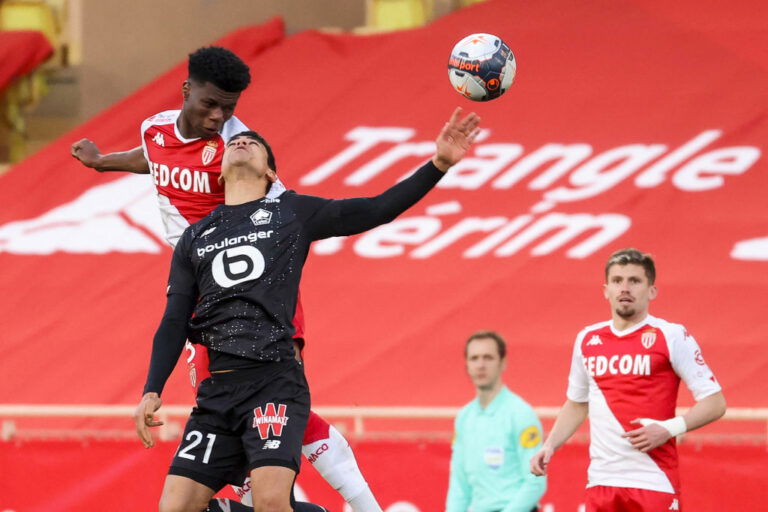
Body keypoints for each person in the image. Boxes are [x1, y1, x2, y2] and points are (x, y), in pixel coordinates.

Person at [71, 46, 380, 511]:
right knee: (234, 405)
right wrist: (103, 161)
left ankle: (353, 504)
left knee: (262, 398)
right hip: (200, 290)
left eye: (229, 109)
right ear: (185, 91)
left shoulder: (238, 146)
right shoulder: (154, 129)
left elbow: (280, 212)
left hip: (251, 295)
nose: (219, 117)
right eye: (210, 104)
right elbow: (154, 157)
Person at [132, 108, 480, 511]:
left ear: (271, 175)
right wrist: (152, 389)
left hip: (273, 382)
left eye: (255, 145)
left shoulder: (291, 213)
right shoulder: (195, 237)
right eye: (236, 143)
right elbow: (174, 318)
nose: (243, 142)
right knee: (173, 507)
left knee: (271, 501)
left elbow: (376, 209)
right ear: (221, 171)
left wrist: (438, 165)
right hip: (217, 393)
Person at [529, 248, 727, 512]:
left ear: (651, 291)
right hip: (601, 481)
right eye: (617, 280)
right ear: (605, 290)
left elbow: (715, 403)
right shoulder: (587, 339)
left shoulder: (670, 335)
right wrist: (550, 445)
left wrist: (669, 429)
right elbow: (577, 403)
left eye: (634, 281)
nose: (625, 288)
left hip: (654, 480)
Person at [446, 330, 546, 512]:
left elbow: (535, 482)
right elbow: (459, 485)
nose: (480, 365)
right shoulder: (464, 418)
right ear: (466, 365)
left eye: (488, 357)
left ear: (503, 363)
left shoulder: (520, 414)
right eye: (474, 358)